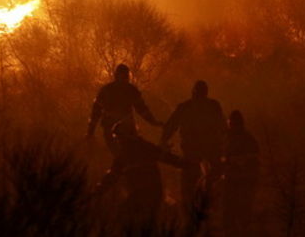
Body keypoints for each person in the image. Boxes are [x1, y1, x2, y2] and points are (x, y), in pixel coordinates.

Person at [93, 120, 188, 229]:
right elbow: (168, 158)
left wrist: (99, 190)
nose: (118, 141)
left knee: (127, 219)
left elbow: (113, 175)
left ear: (127, 136)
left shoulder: (128, 153)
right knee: (144, 222)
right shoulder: (142, 148)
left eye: (119, 137)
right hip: (149, 192)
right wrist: (184, 164)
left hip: (144, 193)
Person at [160, 80, 226, 208]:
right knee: (213, 177)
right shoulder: (213, 105)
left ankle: (192, 206)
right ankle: (209, 203)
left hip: (194, 149)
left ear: (193, 92)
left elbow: (170, 126)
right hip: (209, 148)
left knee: (190, 181)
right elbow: (223, 127)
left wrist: (163, 140)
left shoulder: (185, 107)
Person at [87, 64, 163, 154]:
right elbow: (96, 111)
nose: (124, 78)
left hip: (126, 128)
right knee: (121, 155)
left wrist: (153, 122)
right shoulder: (109, 90)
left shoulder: (130, 90)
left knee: (128, 154)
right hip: (113, 129)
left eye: (125, 75)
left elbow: (142, 109)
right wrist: (90, 131)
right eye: (123, 75)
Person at [222, 110, 260, 237]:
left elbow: (254, 158)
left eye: (233, 123)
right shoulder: (226, 137)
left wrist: (237, 161)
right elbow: (221, 156)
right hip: (230, 180)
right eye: (230, 123)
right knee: (229, 211)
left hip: (243, 181)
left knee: (242, 210)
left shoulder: (247, 139)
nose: (231, 126)